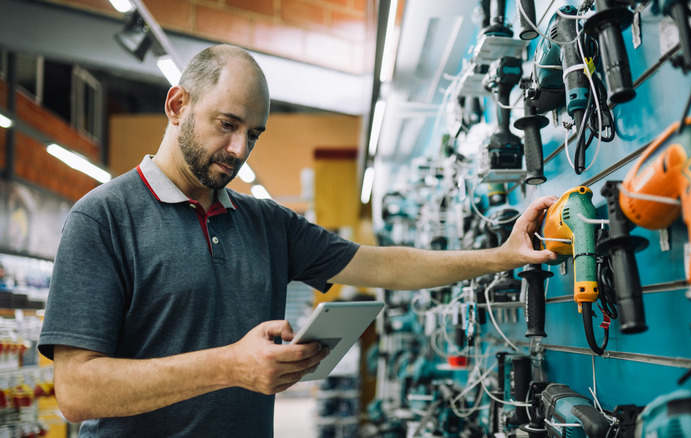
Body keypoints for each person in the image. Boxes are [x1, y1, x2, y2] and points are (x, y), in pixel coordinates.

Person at [39, 45, 557, 437]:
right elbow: (77, 391)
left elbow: (383, 267)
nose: (239, 148)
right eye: (228, 124)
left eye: (255, 134)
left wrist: (502, 256)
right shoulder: (102, 218)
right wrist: (228, 365)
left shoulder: (266, 222)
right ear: (177, 104)